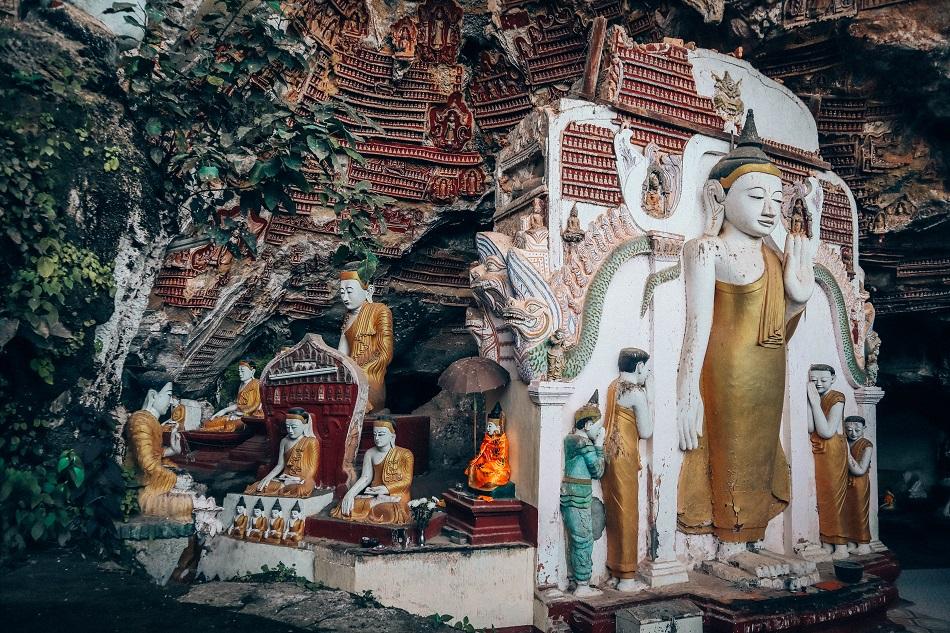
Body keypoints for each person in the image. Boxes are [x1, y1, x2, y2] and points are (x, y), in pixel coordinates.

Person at [677, 110, 815, 557]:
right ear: (719, 195)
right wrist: (686, 391)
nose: (770, 209)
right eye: (757, 196)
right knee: (730, 448)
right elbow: (696, 327)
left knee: (761, 449)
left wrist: (802, 236)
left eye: (776, 200)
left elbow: (796, 298)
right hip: (728, 368)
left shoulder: (774, 254)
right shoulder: (707, 249)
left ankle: (754, 536)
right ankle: (729, 543)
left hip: (769, 364)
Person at [603, 348, 653, 591]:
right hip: (625, 455)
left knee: (614, 510)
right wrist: (649, 395)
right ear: (640, 367)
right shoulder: (635, 392)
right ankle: (627, 577)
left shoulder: (614, 386)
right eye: (647, 370)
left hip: (610, 455)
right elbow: (646, 431)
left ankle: (614, 569)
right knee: (628, 512)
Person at [126, 381, 194, 521]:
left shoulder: (152, 422)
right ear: (153, 395)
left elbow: (156, 454)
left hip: (154, 478)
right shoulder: (139, 422)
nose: (170, 402)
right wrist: (174, 478)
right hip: (141, 484)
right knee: (183, 503)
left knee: (186, 492)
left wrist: (172, 450)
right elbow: (147, 463)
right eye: (168, 395)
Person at [561, 391, 606, 597]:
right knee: (584, 539)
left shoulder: (571, 440)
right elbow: (598, 471)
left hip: (570, 494)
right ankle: (583, 584)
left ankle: (575, 579)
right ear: (588, 425)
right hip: (579, 496)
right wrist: (599, 446)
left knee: (576, 538)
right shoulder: (585, 444)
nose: (601, 429)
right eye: (598, 425)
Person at [331, 417, 413, 525]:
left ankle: (379, 503)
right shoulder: (370, 453)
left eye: (381, 434)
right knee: (345, 505)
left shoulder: (405, 454)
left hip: (396, 496)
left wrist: (385, 489)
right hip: (374, 495)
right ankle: (376, 503)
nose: (377, 438)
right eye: (375, 434)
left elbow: (407, 481)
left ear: (392, 436)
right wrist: (350, 494)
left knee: (392, 511)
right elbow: (365, 478)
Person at [337, 263, 394, 413]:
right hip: (349, 375)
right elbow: (341, 355)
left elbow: (385, 353)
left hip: (370, 376)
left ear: (369, 290)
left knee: (353, 392)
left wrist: (358, 372)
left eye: (349, 291)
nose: (345, 297)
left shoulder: (380, 311)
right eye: (342, 292)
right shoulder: (347, 316)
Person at [807, 364, 849, 558]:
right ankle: (828, 541)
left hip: (834, 450)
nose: (819, 384)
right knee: (824, 497)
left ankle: (841, 545)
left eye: (823, 380)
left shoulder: (837, 398)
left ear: (832, 379)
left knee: (835, 497)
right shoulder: (817, 397)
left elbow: (826, 431)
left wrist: (815, 403)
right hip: (822, 451)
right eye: (814, 380)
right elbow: (810, 426)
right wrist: (811, 401)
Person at [245, 408, 320, 497]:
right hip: (285, 478)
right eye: (288, 427)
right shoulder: (284, 441)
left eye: (294, 427)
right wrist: (268, 478)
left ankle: (282, 489)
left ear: (305, 425)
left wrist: (298, 479)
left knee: (301, 490)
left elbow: (312, 469)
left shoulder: (311, 442)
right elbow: (280, 465)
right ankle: (282, 488)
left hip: (302, 480)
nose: (290, 430)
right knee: (257, 486)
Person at [203, 360, 264, 432]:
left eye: (243, 371)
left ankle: (220, 439)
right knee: (208, 423)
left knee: (229, 426)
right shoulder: (241, 385)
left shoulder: (256, 383)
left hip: (248, 418)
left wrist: (242, 414)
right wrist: (224, 410)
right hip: (236, 414)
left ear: (252, 371)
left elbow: (256, 405)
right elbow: (238, 405)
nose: (240, 374)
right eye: (239, 371)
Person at [843, 416, 874, 554]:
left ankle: (863, 543)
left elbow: (860, 470)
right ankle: (850, 541)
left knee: (860, 512)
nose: (853, 433)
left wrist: (847, 453)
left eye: (857, 430)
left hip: (860, 483)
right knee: (847, 512)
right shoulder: (846, 442)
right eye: (849, 430)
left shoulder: (866, 445)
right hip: (846, 482)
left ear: (864, 429)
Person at [465, 403, 511, 492]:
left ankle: (484, 487)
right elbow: (483, 453)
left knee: (492, 477)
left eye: (490, 426)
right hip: (487, 463)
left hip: (497, 468)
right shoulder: (488, 438)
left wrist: (489, 465)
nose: (488, 428)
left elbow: (501, 460)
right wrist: (480, 462)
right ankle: (474, 488)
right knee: (473, 467)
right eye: (488, 426)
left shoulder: (502, 441)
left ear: (497, 427)